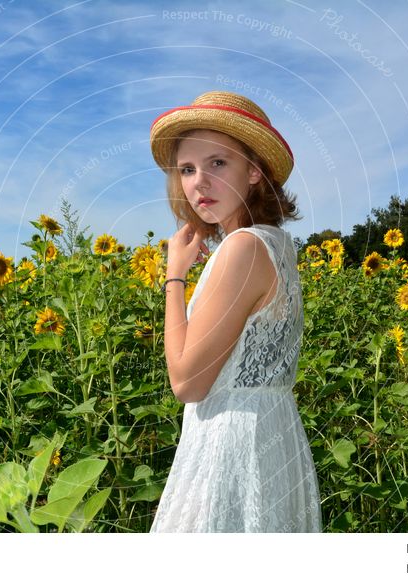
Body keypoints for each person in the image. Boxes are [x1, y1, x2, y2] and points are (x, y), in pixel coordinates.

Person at [147, 91, 322, 533]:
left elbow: (187, 381)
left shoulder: (243, 247)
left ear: (255, 173)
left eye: (218, 163)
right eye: (188, 169)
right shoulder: (278, 244)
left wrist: (174, 276)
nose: (199, 182)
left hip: (232, 447)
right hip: (271, 438)